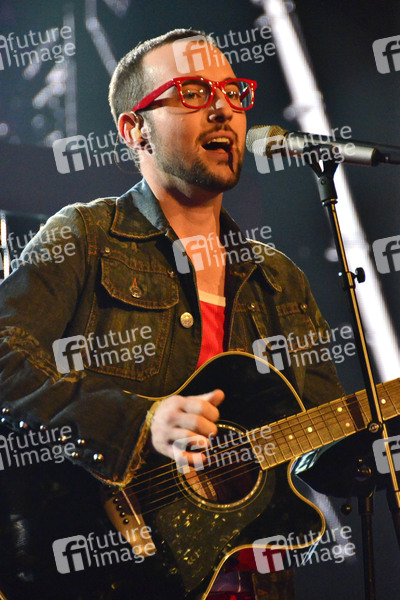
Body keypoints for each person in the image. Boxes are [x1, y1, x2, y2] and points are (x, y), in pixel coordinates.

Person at [0, 28, 344, 600]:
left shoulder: (278, 280)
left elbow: (325, 443)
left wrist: (369, 446)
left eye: (233, 92)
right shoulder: (86, 237)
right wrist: (139, 424)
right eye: (192, 92)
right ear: (134, 130)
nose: (222, 108)